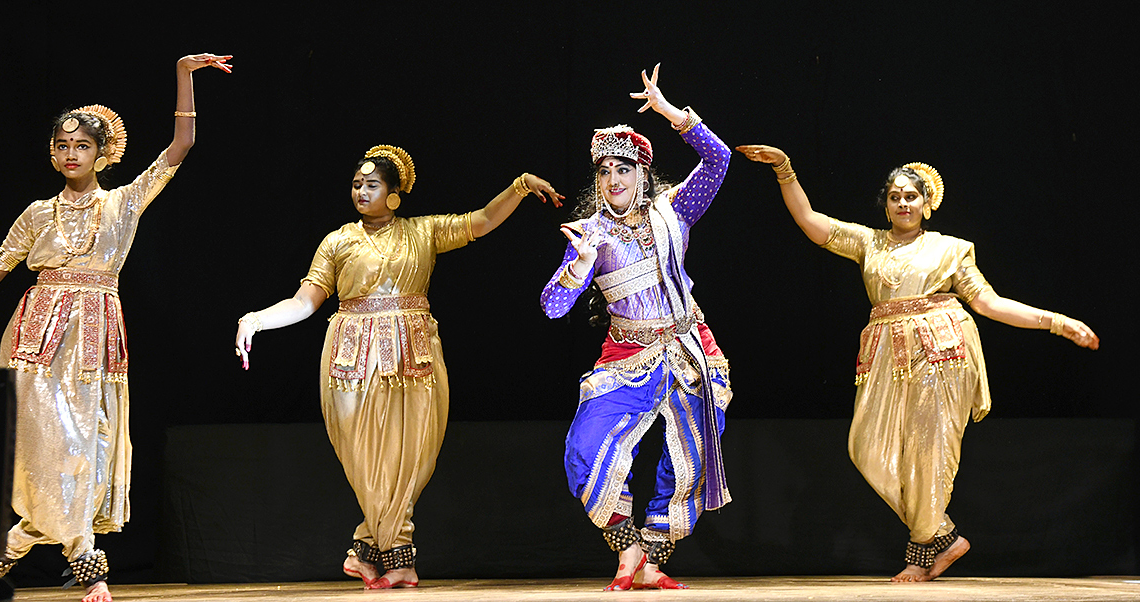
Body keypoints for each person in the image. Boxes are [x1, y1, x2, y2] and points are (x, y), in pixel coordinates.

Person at [0, 54, 232, 602]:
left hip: (94, 335)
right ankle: (85, 561)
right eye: (61, 146)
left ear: (103, 153)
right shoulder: (36, 214)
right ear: (52, 154)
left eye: (81, 146)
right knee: (47, 443)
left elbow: (180, 148)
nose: (70, 154)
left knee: (86, 446)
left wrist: (182, 75)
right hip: (36, 334)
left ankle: (14, 544)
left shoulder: (122, 204)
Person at [737, 145, 1100, 582]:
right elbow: (810, 222)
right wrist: (784, 168)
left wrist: (1056, 323)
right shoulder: (869, 242)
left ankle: (922, 553)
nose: (903, 203)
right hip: (886, 353)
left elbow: (989, 303)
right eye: (895, 196)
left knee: (930, 452)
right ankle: (944, 535)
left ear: (928, 205)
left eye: (912, 196)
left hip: (940, 347)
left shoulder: (951, 250)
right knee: (867, 448)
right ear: (886, 203)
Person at [234, 145, 562, 589]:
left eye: (371, 185)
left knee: (411, 458)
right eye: (356, 184)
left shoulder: (423, 233)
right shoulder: (337, 241)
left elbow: (481, 221)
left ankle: (372, 553)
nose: (361, 191)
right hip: (351, 358)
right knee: (365, 459)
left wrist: (519, 186)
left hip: (414, 356)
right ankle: (392, 556)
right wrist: (256, 319)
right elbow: (304, 302)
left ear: (394, 194)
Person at [540, 65, 732, 591]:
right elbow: (553, 307)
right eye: (604, 173)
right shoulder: (590, 234)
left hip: (690, 348)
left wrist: (672, 113)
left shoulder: (674, 212)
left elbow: (719, 159)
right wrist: (577, 268)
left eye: (622, 170)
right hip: (629, 355)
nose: (613, 181)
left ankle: (650, 556)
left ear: (642, 175)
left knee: (690, 459)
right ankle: (627, 548)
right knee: (585, 448)